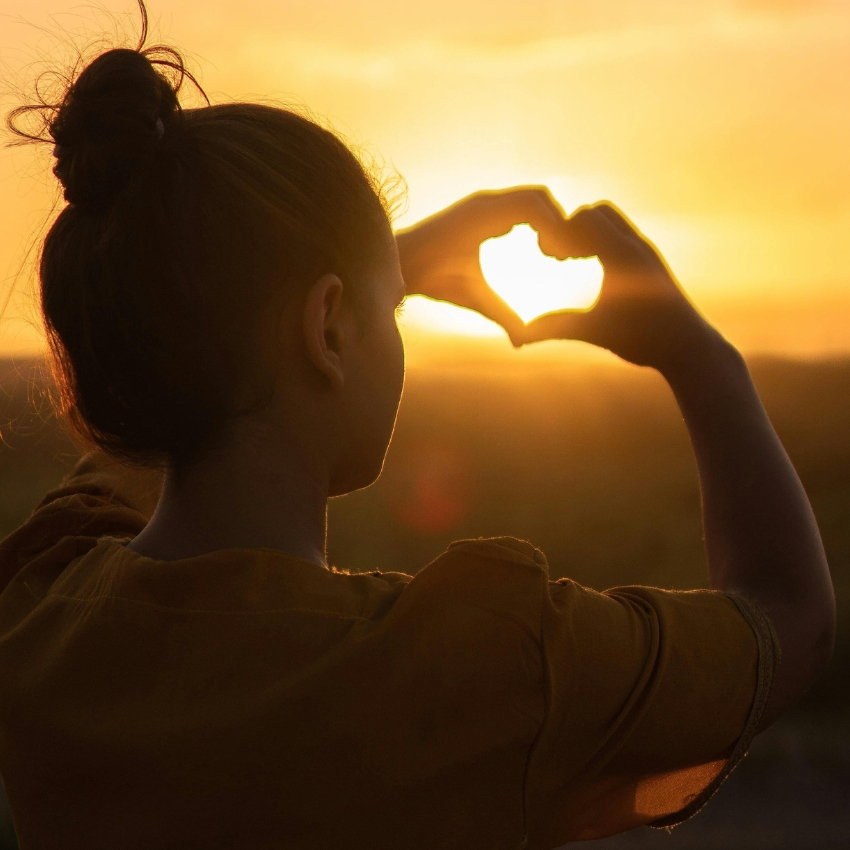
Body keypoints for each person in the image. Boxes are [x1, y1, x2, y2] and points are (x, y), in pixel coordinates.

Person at [0, 5, 835, 849]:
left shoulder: (40, 610)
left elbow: (186, 379)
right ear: (327, 329)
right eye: (391, 307)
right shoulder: (477, 668)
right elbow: (788, 622)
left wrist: (356, 273)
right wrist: (701, 357)